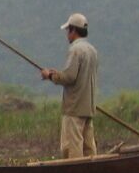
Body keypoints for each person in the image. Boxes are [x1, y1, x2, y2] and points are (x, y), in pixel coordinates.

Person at [40, 12, 99, 159]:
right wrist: (57, 74)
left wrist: (50, 75)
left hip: (74, 108)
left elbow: (70, 77)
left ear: (73, 30)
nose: (67, 34)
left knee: (72, 148)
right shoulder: (92, 51)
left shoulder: (75, 50)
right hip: (88, 107)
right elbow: (79, 76)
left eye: (68, 30)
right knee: (88, 148)